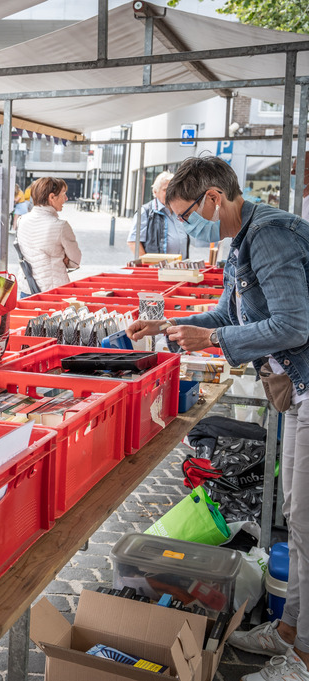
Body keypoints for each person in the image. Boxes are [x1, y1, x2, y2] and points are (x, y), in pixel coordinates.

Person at [126, 156, 309, 681]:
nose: (185, 226)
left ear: (213, 198)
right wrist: (171, 324)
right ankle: (291, 629)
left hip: (305, 382)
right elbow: (231, 314)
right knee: (297, 516)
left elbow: (293, 325)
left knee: (306, 520)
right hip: (294, 390)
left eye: (187, 213)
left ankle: (303, 652)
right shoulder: (244, 238)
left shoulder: (269, 234)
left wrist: (215, 340)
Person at [16, 177, 82, 292]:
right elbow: (75, 261)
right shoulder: (61, 226)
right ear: (51, 197)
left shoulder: (21, 220)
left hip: (27, 288)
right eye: (63, 194)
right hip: (52, 292)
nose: (66, 198)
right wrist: (65, 260)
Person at [127, 171, 189, 259]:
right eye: (165, 190)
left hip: (180, 268)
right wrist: (147, 265)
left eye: (172, 190)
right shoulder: (146, 211)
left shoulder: (180, 212)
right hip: (157, 269)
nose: (170, 193)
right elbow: (133, 242)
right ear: (155, 192)